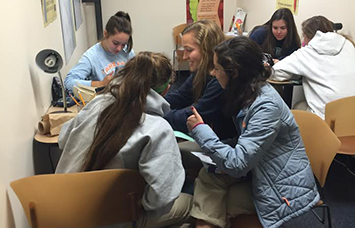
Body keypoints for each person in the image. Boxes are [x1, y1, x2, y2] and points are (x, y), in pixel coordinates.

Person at [186, 36, 320, 228]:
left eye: (217, 68)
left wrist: (200, 130)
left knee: (211, 200)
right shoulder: (249, 92)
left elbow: (238, 164)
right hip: (263, 171)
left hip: (281, 188)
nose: (213, 73)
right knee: (208, 181)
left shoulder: (266, 106)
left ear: (234, 73)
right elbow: (246, 142)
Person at [56, 52, 192, 228]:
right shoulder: (157, 128)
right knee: (192, 205)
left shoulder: (96, 104)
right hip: (108, 220)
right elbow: (161, 199)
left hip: (60, 209)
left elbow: (63, 140)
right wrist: (140, 203)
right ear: (166, 88)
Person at [271, 15, 355, 119]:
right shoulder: (348, 45)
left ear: (307, 36)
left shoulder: (307, 53)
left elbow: (275, 73)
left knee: (297, 107)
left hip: (328, 121)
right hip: (351, 117)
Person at [164, 20, 236, 140]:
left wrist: (158, 114)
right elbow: (180, 97)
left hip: (223, 143)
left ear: (207, 49)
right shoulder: (201, 72)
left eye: (189, 50)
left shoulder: (220, 81)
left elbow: (194, 114)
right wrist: (151, 105)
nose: (185, 57)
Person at [64, 11, 135, 93]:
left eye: (123, 44)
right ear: (105, 34)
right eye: (115, 43)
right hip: (103, 99)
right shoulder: (91, 56)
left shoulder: (128, 52)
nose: (119, 49)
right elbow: (68, 83)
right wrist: (101, 83)